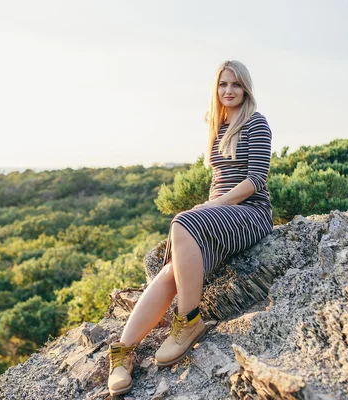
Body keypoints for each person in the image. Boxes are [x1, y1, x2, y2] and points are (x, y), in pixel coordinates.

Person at [107, 60, 274, 396]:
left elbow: (255, 180)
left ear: (246, 89)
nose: (229, 91)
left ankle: (189, 321)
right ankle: (123, 353)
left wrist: (208, 208)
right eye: (223, 85)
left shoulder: (256, 123)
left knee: (182, 220)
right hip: (221, 218)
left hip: (251, 213)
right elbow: (218, 180)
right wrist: (208, 209)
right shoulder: (217, 125)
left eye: (236, 85)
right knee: (171, 271)